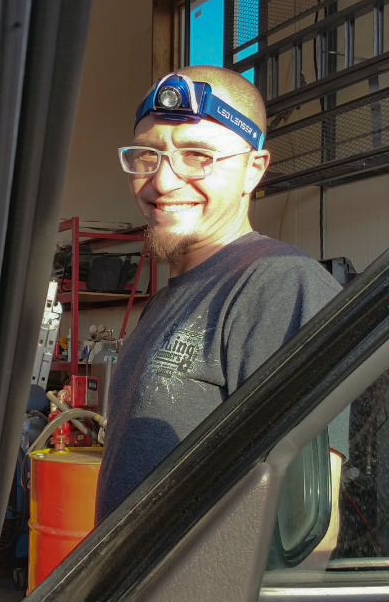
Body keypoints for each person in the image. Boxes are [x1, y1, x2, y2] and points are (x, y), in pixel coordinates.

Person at [95, 64, 344, 524]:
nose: (163, 182)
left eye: (196, 155)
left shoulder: (280, 286)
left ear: (254, 170)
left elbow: (308, 527)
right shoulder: (167, 302)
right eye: (148, 156)